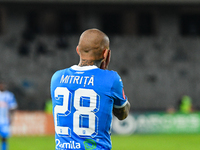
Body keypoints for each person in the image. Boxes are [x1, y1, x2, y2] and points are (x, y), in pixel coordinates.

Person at [50, 28, 130, 150]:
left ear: (77, 50)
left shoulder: (57, 77)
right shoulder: (111, 79)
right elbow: (122, 114)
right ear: (105, 54)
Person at [0, 80, 18, 150]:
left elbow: (13, 107)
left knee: (4, 137)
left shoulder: (9, 95)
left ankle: (4, 149)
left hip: (5, 120)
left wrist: (11, 117)